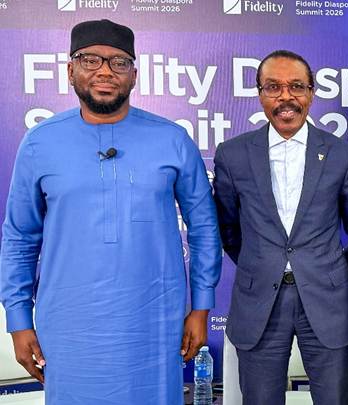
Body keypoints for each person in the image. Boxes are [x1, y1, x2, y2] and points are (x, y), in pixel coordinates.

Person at [0, 19, 221, 404]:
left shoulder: (173, 140)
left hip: (153, 327)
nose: (105, 72)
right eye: (90, 60)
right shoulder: (39, 143)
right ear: (70, 70)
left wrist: (201, 307)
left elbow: (204, 228)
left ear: (134, 74)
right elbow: (19, 238)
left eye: (119, 62)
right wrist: (18, 319)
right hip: (69, 329)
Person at [213, 49, 348, 405]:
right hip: (259, 303)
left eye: (296, 86)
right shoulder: (232, 154)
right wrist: (262, 265)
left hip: (328, 301)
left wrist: (332, 273)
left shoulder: (341, 154)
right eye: (274, 87)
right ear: (260, 94)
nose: (286, 97)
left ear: (311, 93)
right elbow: (228, 230)